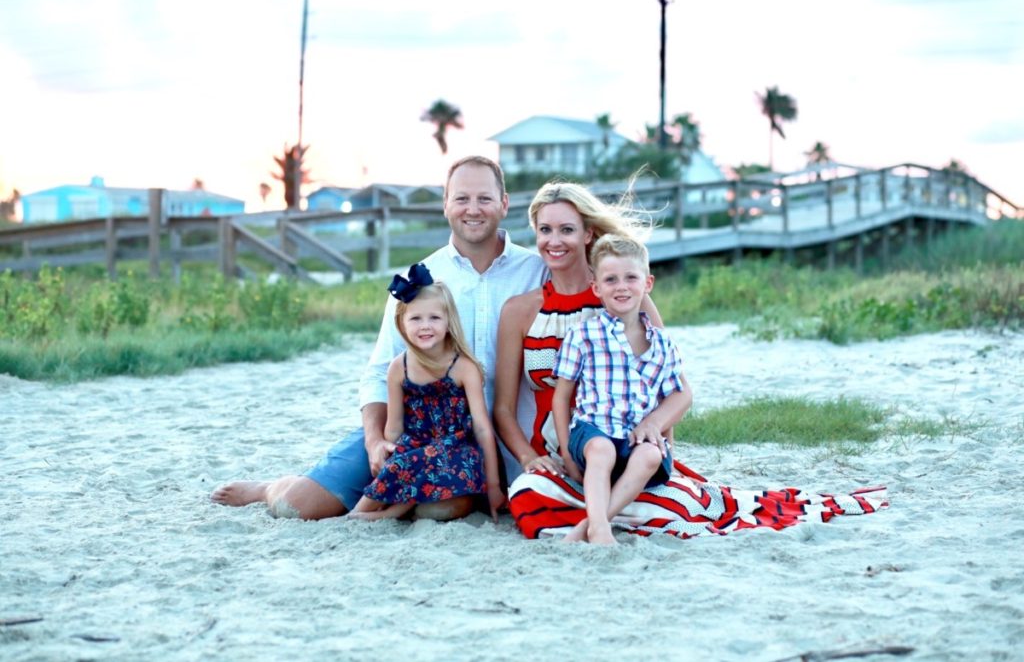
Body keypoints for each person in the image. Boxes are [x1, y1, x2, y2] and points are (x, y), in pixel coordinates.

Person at [495, 180, 888, 541]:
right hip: (566, 457)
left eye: (566, 229)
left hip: (631, 446)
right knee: (529, 497)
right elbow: (504, 409)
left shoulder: (626, 297)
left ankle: (598, 520)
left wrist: (661, 439)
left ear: (588, 233)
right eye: (545, 230)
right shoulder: (520, 311)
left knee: (678, 502)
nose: (554, 241)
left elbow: (671, 386)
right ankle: (609, 515)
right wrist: (534, 459)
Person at [211, 156, 546, 520]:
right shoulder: (420, 279)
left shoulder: (537, 272)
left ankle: (409, 502)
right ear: (445, 204)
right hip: (418, 432)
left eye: (484, 198)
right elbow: (379, 371)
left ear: (505, 204)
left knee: (444, 509)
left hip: (503, 441)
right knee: (298, 507)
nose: (473, 209)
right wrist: (375, 441)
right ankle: (270, 487)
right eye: (461, 198)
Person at [551, 234, 691, 544]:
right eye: (611, 279)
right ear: (597, 287)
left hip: (635, 439)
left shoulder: (662, 344)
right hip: (593, 433)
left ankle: (590, 523)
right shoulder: (584, 335)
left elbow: (677, 395)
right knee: (601, 450)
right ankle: (600, 530)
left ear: (648, 283)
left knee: (651, 455)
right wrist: (567, 454)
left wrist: (660, 433)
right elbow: (561, 398)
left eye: (631, 277)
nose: (622, 286)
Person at [346, 268, 504, 521]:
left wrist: (494, 485)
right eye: (416, 319)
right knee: (402, 463)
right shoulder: (399, 367)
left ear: (448, 321)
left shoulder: (464, 367)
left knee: (432, 460)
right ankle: (357, 514)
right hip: (416, 445)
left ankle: (389, 514)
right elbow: (394, 428)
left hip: (457, 448)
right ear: (401, 323)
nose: (425, 326)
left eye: (434, 318)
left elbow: (482, 428)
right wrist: (390, 459)